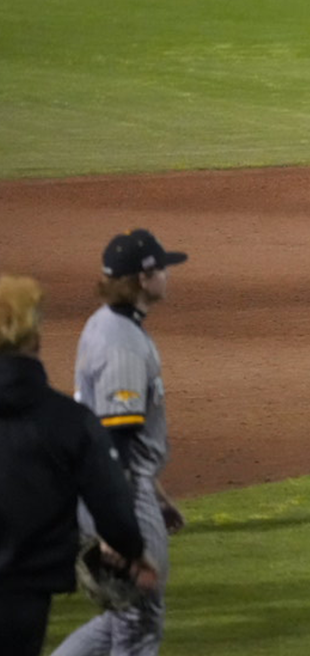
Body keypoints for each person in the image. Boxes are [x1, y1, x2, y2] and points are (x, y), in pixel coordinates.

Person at [52, 231, 193, 656]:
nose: (168, 275)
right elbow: (115, 440)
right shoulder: (123, 344)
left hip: (119, 488)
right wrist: (117, 531)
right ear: (144, 278)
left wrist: (159, 494)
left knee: (126, 616)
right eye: (162, 268)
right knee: (141, 618)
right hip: (120, 496)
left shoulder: (107, 324)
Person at [0, 275, 156, 656]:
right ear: (35, 336)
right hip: (23, 598)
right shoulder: (70, 422)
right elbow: (112, 506)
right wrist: (131, 552)